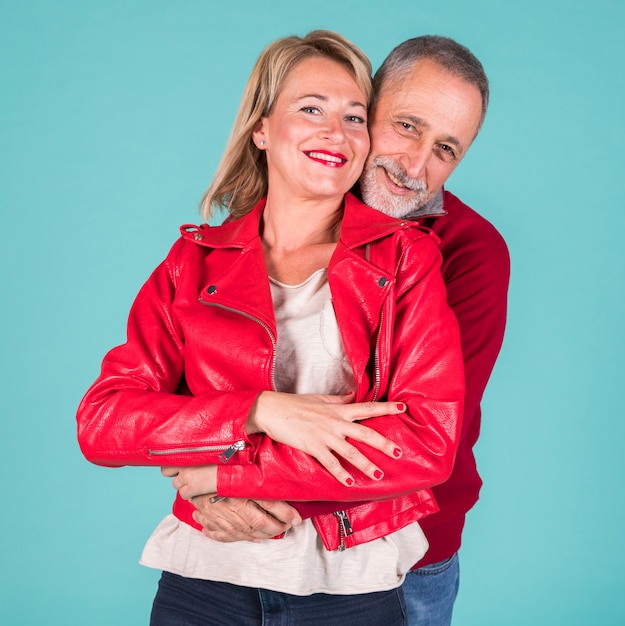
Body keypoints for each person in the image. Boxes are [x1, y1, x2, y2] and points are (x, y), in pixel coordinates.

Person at [76, 30, 465, 625]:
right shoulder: (193, 262)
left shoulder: (406, 258)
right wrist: (259, 409)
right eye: (311, 108)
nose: (335, 131)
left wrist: (229, 472)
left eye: (354, 117)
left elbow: (427, 443)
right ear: (262, 129)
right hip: (202, 582)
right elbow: (105, 421)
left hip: (348, 590)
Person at [190, 35, 510, 626]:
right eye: (406, 126)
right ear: (361, 111)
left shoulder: (470, 249)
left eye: (446, 148)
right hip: (241, 549)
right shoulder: (269, 226)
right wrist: (206, 467)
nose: (415, 166)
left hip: (396, 550)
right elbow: (199, 395)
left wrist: (224, 477)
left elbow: (417, 432)